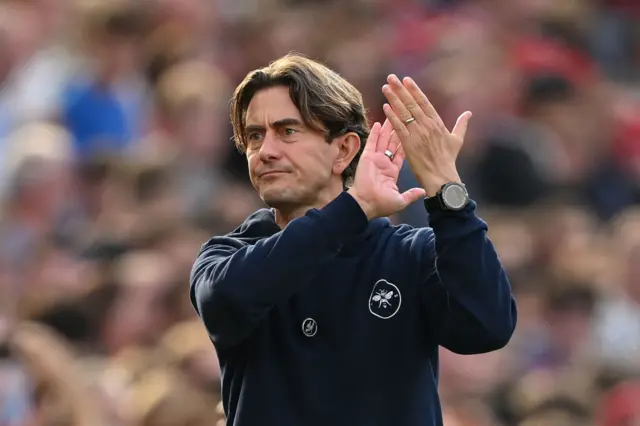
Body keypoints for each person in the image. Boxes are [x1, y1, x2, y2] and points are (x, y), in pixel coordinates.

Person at [190, 53, 517, 426]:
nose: (265, 151)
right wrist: (354, 208)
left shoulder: (413, 253)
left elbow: (486, 327)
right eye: (254, 136)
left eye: (288, 131)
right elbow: (229, 300)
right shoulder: (227, 255)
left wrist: (447, 192)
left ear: (344, 149)